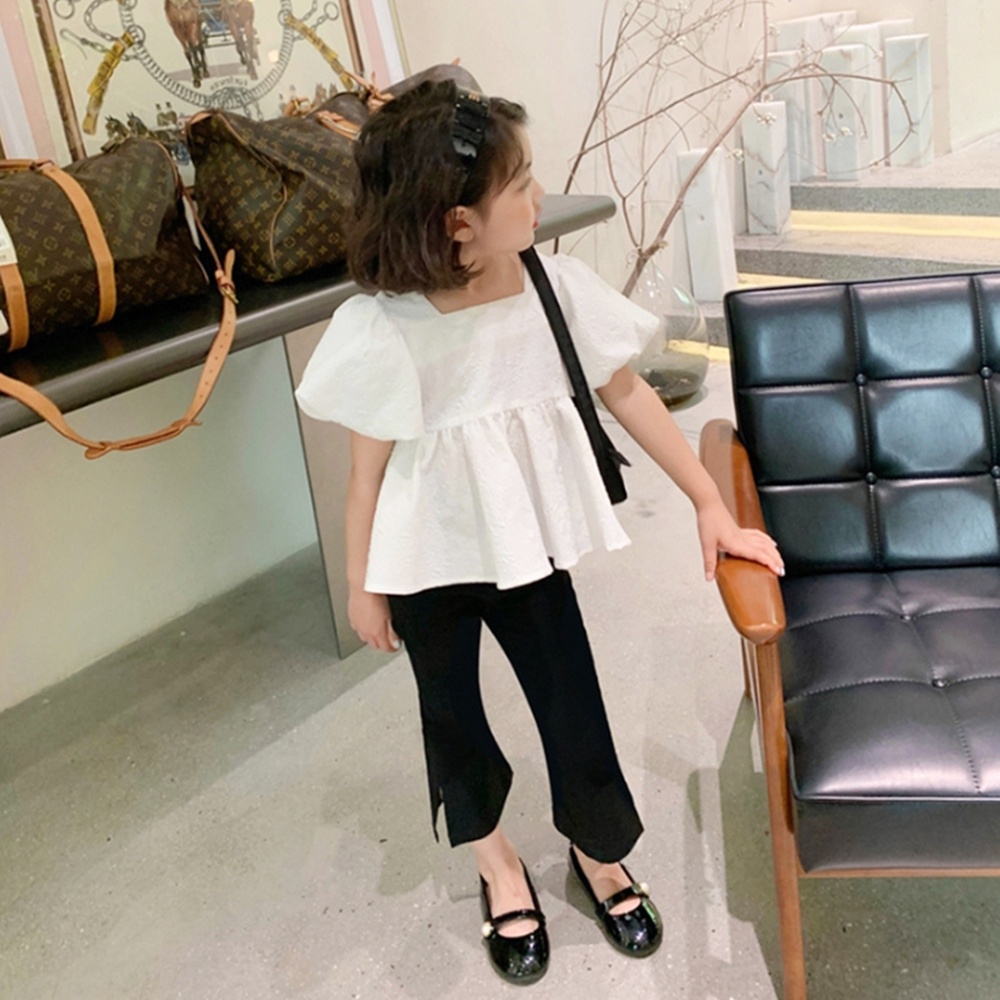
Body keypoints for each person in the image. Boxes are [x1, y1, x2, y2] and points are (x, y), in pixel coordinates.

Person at [295, 80, 783, 986]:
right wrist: (363, 583)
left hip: (528, 551)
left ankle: (599, 849)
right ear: (458, 224)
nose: (539, 196)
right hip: (424, 565)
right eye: (520, 185)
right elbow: (366, 477)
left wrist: (706, 503)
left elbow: (629, 394)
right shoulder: (384, 328)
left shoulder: (553, 290)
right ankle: (497, 864)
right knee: (451, 718)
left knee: (571, 698)